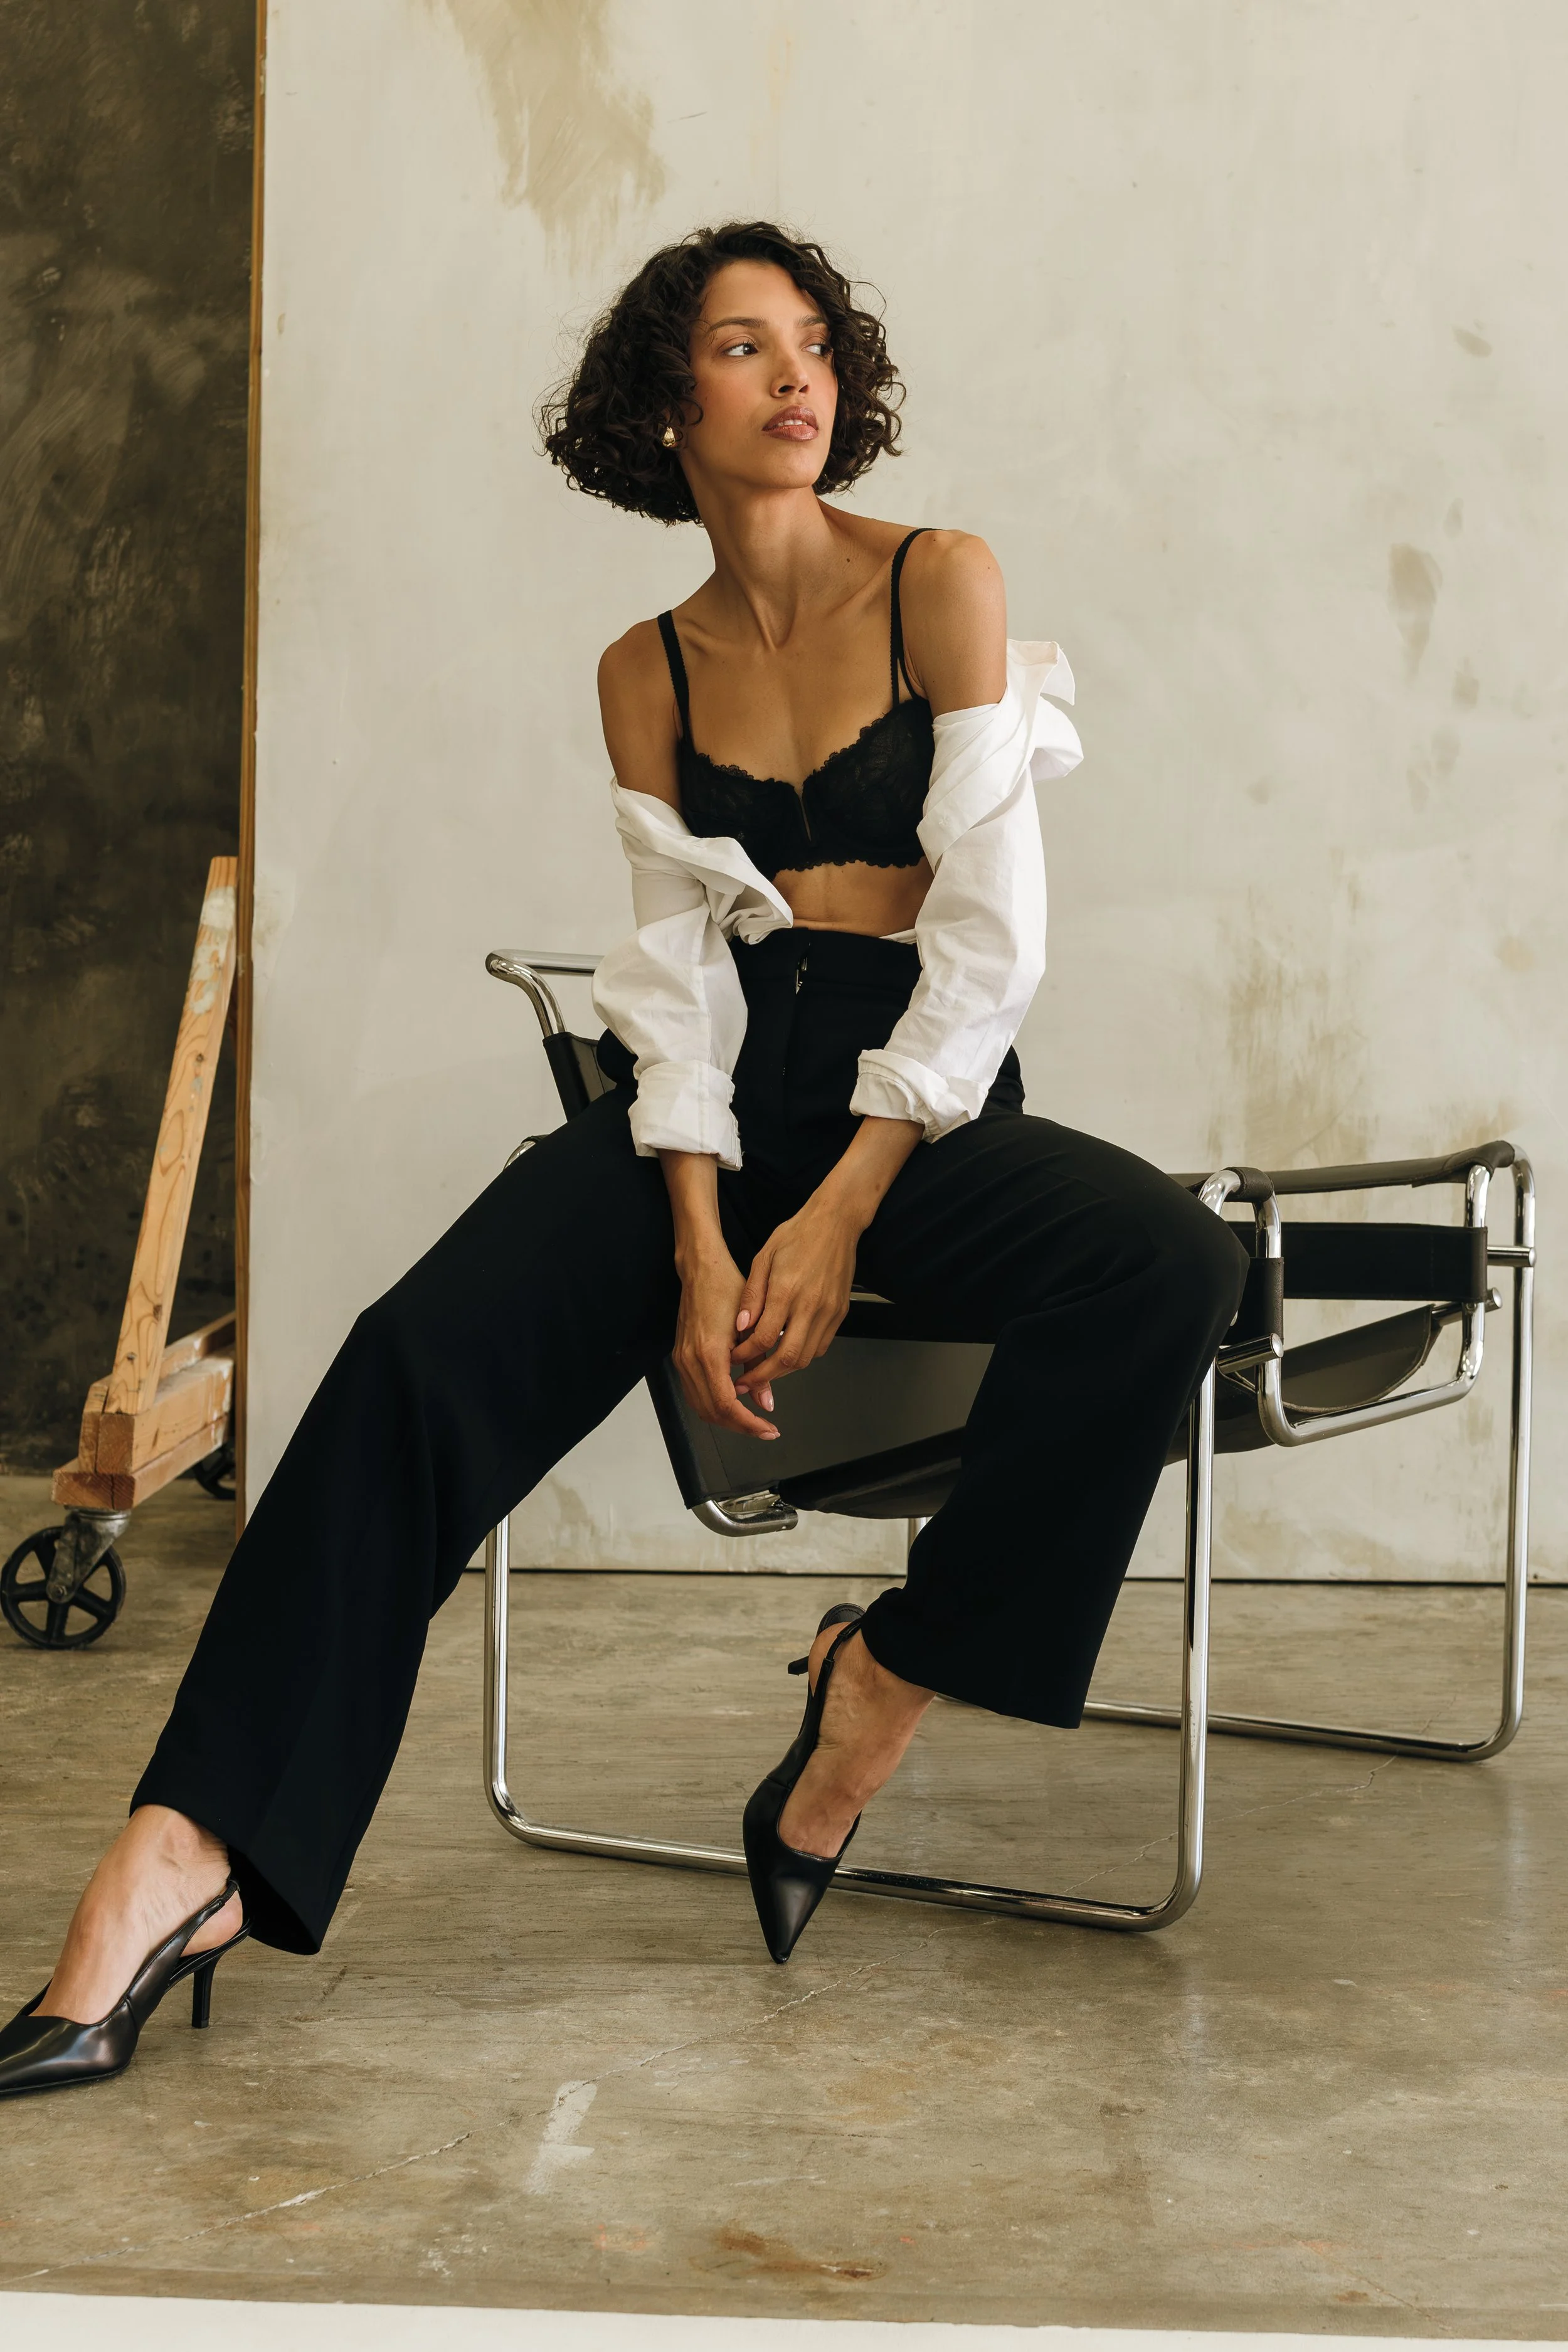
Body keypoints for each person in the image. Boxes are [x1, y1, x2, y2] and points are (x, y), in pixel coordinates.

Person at [0, 221, 1248, 2097]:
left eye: (814, 343)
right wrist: (690, 1228)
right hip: (730, 1093)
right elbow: (670, 978)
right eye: (744, 349)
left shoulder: (938, 580)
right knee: (411, 1361)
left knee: (1164, 1259)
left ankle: (881, 1687)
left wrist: (837, 1206)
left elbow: (991, 942)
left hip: (917, 1091)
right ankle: (180, 1862)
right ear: (668, 404)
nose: (796, 377)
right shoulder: (645, 664)